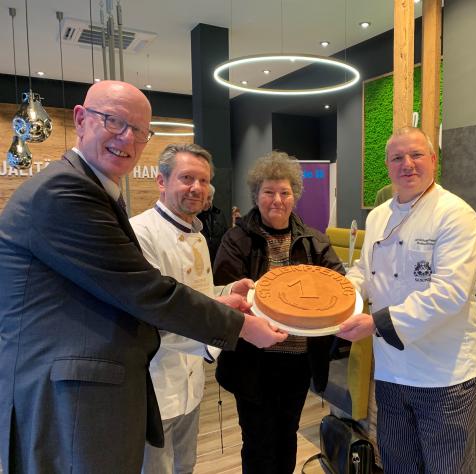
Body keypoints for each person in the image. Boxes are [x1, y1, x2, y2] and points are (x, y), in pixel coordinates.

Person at [0, 80, 285, 474]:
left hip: (111, 389)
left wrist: (221, 299)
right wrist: (240, 326)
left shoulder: (104, 194)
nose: (127, 138)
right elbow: (145, 292)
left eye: (139, 130)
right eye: (114, 122)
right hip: (71, 398)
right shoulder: (66, 190)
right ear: (81, 120)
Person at [338, 127, 476, 474]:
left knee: (446, 468)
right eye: (397, 158)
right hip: (390, 368)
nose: (407, 164)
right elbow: (365, 271)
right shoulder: (378, 216)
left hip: (443, 375)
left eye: (416, 155)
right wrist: (341, 297)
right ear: (388, 166)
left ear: (433, 160)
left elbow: (450, 293)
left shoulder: (456, 215)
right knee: (397, 464)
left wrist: (374, 323)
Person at [213, 151, 344, 474]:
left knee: (287, 435)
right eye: (269, 192)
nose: (277, 200)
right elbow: (225, 293)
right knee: (258, 441)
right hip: (254, 362)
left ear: (295, 196)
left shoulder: (314, 240)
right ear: (256, 195)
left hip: (299, 361)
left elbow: (339, 285)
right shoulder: (237, 239)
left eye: (285, 192)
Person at [130, 143, 252, 474]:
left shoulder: (197, 235)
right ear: (161, 181)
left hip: (191, 385)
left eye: (203, 181)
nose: (196, 188)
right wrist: (229, 327)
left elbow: (198, 297)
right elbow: (153, 315)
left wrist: (228, 290)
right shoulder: (139, 234)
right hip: (155, 385)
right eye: (186, 178)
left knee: (185, 466)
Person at [197, 183, 229, 263]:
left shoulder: (219, 214)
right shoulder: (191, 217)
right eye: (204, 198)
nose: (207, 202)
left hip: (217, 261)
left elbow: (226, 236)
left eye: (209, 198)